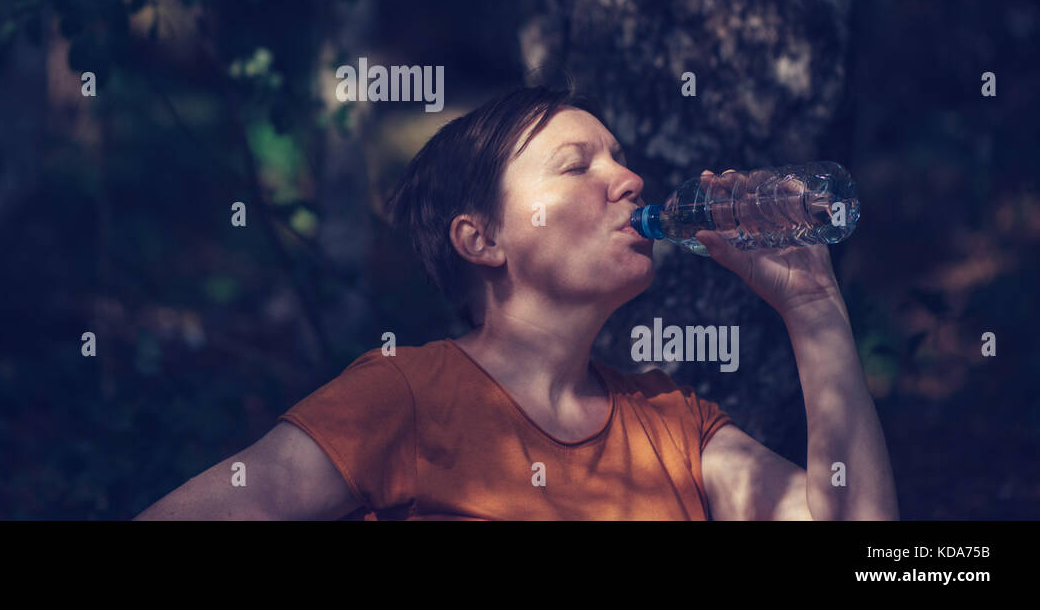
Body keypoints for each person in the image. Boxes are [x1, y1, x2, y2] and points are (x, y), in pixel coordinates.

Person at [135, 85, 898, 520]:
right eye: (578, 165)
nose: (628, 179)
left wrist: (813, 305)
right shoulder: (405, 393)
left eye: (621, 158)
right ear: (483, 239)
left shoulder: (675, 425)